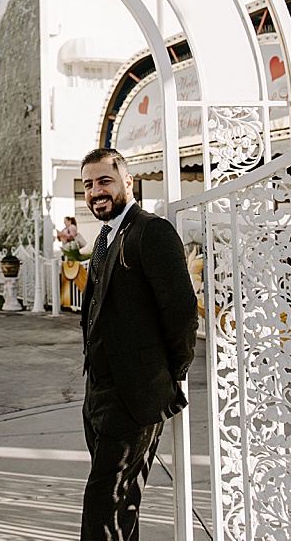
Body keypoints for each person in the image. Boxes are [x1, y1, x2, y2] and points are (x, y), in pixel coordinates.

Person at [78, 148, 198, 541]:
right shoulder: (105, 236)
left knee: (103, 510)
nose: (96, 191)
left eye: (104, 181)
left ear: (128, 182)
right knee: (118, 508)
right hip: (98, 394)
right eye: (89, 184)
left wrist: (170, 372)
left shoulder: (152, 231)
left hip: (134, 396)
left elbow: (181, 311)